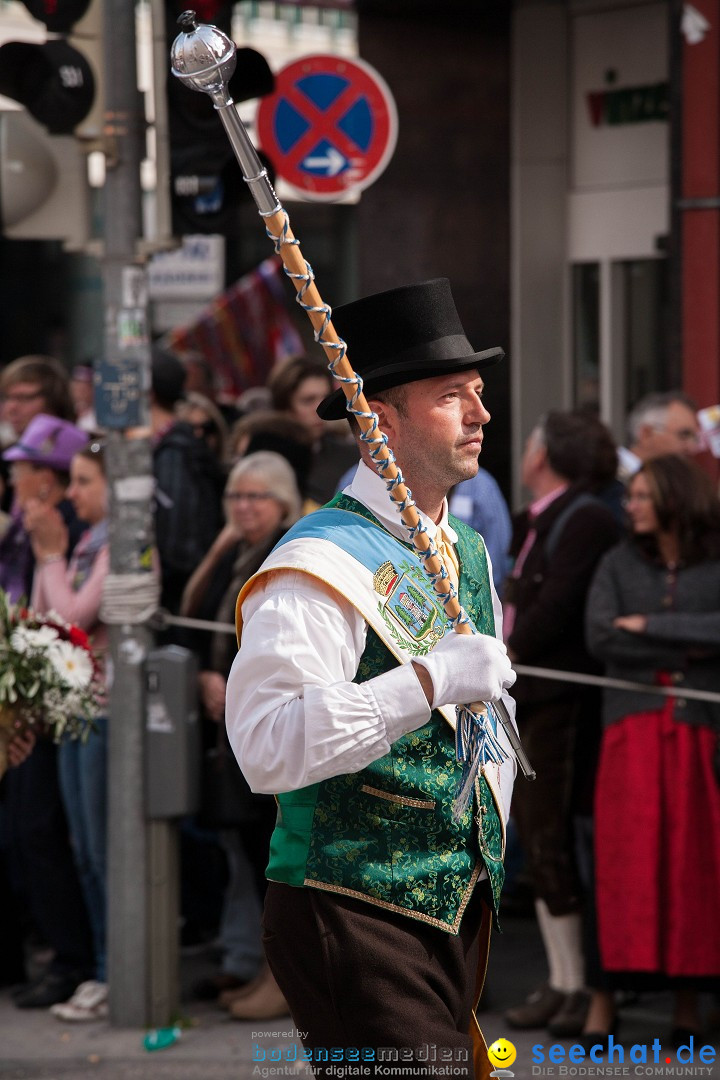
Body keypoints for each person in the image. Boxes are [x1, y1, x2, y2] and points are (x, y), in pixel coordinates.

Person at [226, 278, 518, 1076]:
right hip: (348, 901)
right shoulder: (313, 565)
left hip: (453, 908)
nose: (481, 414)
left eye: (479, 393)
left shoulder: (467, 548)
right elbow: (267, 748)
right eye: (451, 396)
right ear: (379, 421)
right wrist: (424, 681)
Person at [584, 454, 720, 1047]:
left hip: (700, 732)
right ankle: (601, 1002)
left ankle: (688, 1005)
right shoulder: (616, 562)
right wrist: (688, 645)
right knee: (623, 864)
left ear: (674, 499)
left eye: (641, 495)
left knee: (694, 861)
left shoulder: (714, 564)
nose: (630, 505)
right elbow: (601, 636)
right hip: (631, 731)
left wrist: (650, 628)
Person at [502, 411, 621, 1038]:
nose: (522, 451)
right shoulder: (541, 517)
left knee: (551, 837)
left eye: (529, 444)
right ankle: (561, 980)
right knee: (538, 837)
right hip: (532, 698)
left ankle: (577, 987)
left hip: (560, 702)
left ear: (547, 455)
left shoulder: (586, 518)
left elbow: (556, 606)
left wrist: (504, 656)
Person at [181, 452, 301, 1018]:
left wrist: (226, 680)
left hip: (268, 719)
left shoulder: (283, 549)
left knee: (268, 854)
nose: (243, 507)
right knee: (247, 856)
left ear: (281, 501)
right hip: (229, 721)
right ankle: (264, 969)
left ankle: (284, 979)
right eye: (236, 497)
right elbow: (196, 608)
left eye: (255, 496)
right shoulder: (235, 550)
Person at [1, 415, 95, 1009]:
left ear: (52, 481)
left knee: (48, 834)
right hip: (33, 694)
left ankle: (74, 961)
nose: (14, 482)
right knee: (26, 834)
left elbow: (65, 624)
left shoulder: (65, 533)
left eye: (25, 470)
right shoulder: (24, 529)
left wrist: (50, 553)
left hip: (61, 702)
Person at [25, 439, 111, 1021]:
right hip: (75, 710)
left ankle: (114, 969)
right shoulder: (83, 540)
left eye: (83, 481)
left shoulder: (122, 544)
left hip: (107, 714)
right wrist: (48, 557)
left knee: (106, 850)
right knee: (84, 850)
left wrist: (50, 557)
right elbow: (40, 618)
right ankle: (105, 966)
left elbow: (73, 618)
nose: (72, 493)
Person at [267, 356, 359, 510]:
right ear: (284, 406)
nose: (319, 408)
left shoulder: (350, 454)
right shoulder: (267, 457)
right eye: (308, 400)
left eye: (324, 399)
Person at [618, 391, 700, 481]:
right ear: (647, 434)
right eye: (684, 435)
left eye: (694, 438)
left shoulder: (671, 482)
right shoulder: (607, 473)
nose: (692, 448)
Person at [0, 355, 75, 439]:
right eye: (7, 398)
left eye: (23, 398)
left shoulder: (87, 448)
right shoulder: (7, 448)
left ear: (54, 400)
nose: (11, 408)